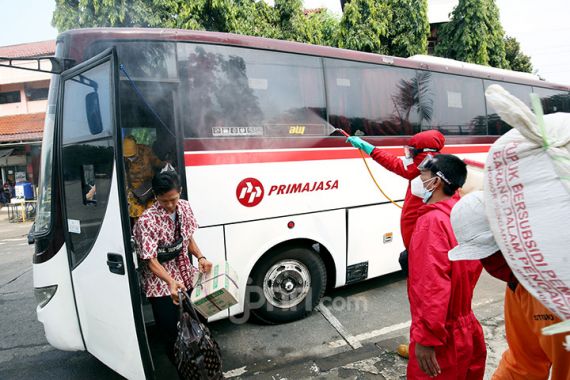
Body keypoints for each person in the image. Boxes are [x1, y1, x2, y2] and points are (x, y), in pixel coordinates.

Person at [449, 191, 570, 380]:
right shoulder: (517, 286)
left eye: (494, 251)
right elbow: (524, 362)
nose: (489, 262)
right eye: (483, 256)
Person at [347, 130, 446, 359]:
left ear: (425, 155)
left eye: (412, 151)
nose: (409, 157)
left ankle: (422, 348)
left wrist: (366, 147)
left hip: (421, 253)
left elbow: (397, 165)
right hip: (420, 250)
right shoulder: (437, 170)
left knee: (422, 299)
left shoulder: (424, 173)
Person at [407, 154, 485, 379]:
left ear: (437, 182)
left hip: (443, 340)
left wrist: (426, 339)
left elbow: (432, 286)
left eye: (423, 175)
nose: (419, 180)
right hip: (467, 330)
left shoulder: (432, 222)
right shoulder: (461, 214)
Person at [133, 171, 213, 361]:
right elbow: (150, 259)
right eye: (164, 201)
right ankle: (183, 367)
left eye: (173, 199)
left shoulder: (184, 207)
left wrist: (201, 257)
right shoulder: (146, 220)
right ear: (155, 196)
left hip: (186, 274)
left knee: (200, 321)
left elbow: (188, 238)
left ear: (180, 192)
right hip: (161, 284)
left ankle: (202, 364)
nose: (169, 205)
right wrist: (170, 281)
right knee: (172, 332)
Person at [123, 135, 165, 219]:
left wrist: (166, 166)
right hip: (134, 193)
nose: (130, 158)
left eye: (132, 156)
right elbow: (124, 178)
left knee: (153, 212)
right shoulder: (123, 159)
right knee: (137, 212)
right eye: (128, 157)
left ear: (136, 148)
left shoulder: (146, 150)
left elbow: (157, 163)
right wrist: (130, 194)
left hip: (151, 188)